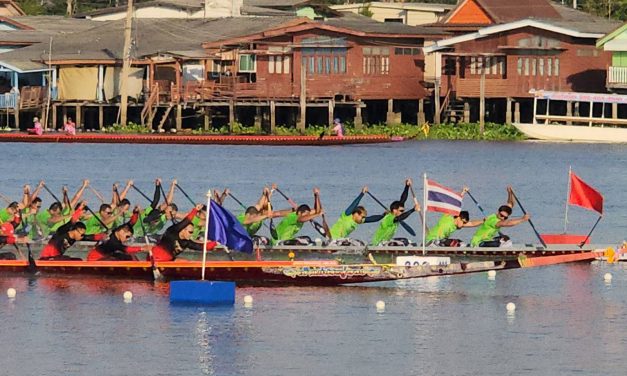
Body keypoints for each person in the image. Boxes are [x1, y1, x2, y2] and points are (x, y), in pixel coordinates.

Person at [39, 202, 106, 260]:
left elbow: (90, 237)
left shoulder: (76, 237)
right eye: (81, 234)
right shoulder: (62, 231)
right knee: (67, 258)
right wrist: (80, 208)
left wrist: (104, 235)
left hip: (57, 257)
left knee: (78, 260)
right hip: (47, 257)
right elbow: (72, 221)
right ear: (76, 230)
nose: (82, 236)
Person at [151, 204, 217, 262]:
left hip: (168, 259)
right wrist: (195, 210)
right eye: (190, 232)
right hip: (156, 256)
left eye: (192, 232)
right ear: (183, 230)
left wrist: (216, 242)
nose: (191, 234)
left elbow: (201, 247)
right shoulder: (173, 230)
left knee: (186, 261)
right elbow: (187, 220)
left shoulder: (186, 242)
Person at [371, 179, 421, 246]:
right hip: (378, 243)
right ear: (394, 210)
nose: (402, 212)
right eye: (401, 211)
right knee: (403, 243)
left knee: (407, 241)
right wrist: (413, 210)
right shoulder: (389, 217)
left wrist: (407, 186)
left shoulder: (395, 214)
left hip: (386, 241)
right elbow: (400, 218)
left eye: (403, 211)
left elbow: (402, 200)